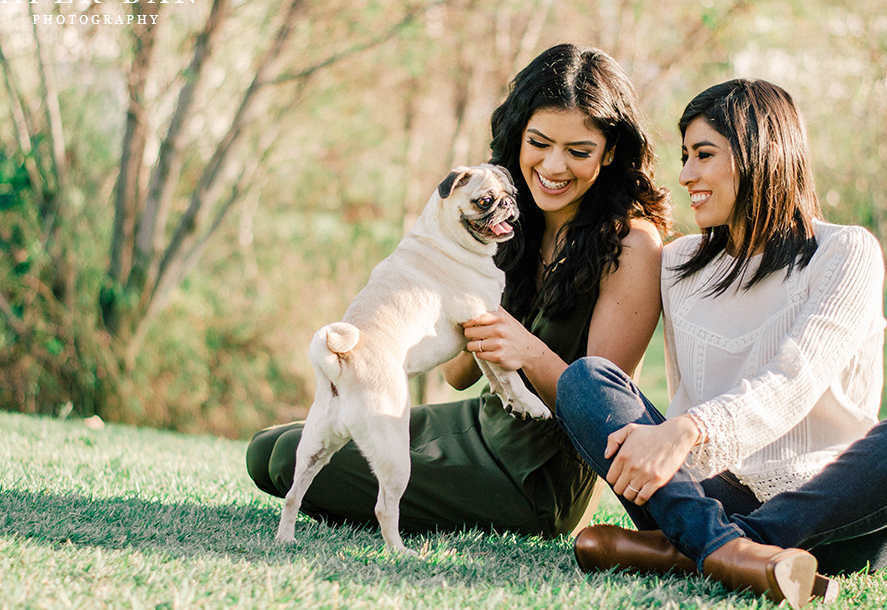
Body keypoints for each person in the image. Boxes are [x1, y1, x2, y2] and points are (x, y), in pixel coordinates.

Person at [245, 43, 670, 539]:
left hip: (533, 476)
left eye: (578, 152)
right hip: (478, 424)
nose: (554, 167)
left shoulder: (631, 245)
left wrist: (527, 349)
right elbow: (458, 375)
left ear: (611, 151)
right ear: (518, 137)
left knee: (285, 465)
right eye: (540, 142)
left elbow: (602, 414)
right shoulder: (503, 219)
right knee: (268, 449)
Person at [556, 79, 887, 608]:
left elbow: (795, 378)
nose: (686, 174)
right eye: (685, 156)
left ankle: (697, 551)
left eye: (704, 155)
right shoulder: (676, 265)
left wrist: (690, 430)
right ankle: (728, 549)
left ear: (760, 155)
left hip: (836, 507)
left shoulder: (845, 252)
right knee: (587, 378)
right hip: (698, 494)